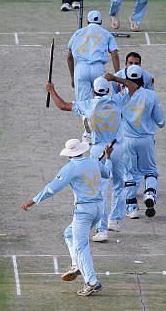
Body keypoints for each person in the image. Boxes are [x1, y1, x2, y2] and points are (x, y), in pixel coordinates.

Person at [21, 139, 114, 297]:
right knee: (69, 234)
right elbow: (107, 173)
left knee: (81, 246)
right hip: (99, 209)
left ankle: (92, 282)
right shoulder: (93, 162)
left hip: (84, 211)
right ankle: (76, 264)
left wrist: (33, 201)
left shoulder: (70, 168)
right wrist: (107, 157)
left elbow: (51, 188)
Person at [45, 77, 123, 242]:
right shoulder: (117, 100)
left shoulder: (88, 104)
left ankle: (102, 229)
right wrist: (116, 78)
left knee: (101, 190)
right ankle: (115, 219)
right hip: (118, 148)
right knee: (119, 185)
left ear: (93, 91)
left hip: (98, 150)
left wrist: (51, 90)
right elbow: (133, 87)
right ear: (108, 90)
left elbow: (62, 105)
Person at [105, 65, 165, 219]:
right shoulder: (151, 96)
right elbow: (161, 122)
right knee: (150, 170)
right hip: (146, 139)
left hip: (127, 141)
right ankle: (150, 193)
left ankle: (132, 207)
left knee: (130, 174)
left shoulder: (121, 97)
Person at [67, 10, 120, 104]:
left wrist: (72, 77)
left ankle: (85, 119)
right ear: (101, 22)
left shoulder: (78, 33)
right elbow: (114, 54)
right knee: (101, 102)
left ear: (87, 21)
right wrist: (117, 76)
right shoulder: (107, 34)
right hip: (98, 68)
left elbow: (69, 57)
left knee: (83, 105)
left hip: (81, 69)